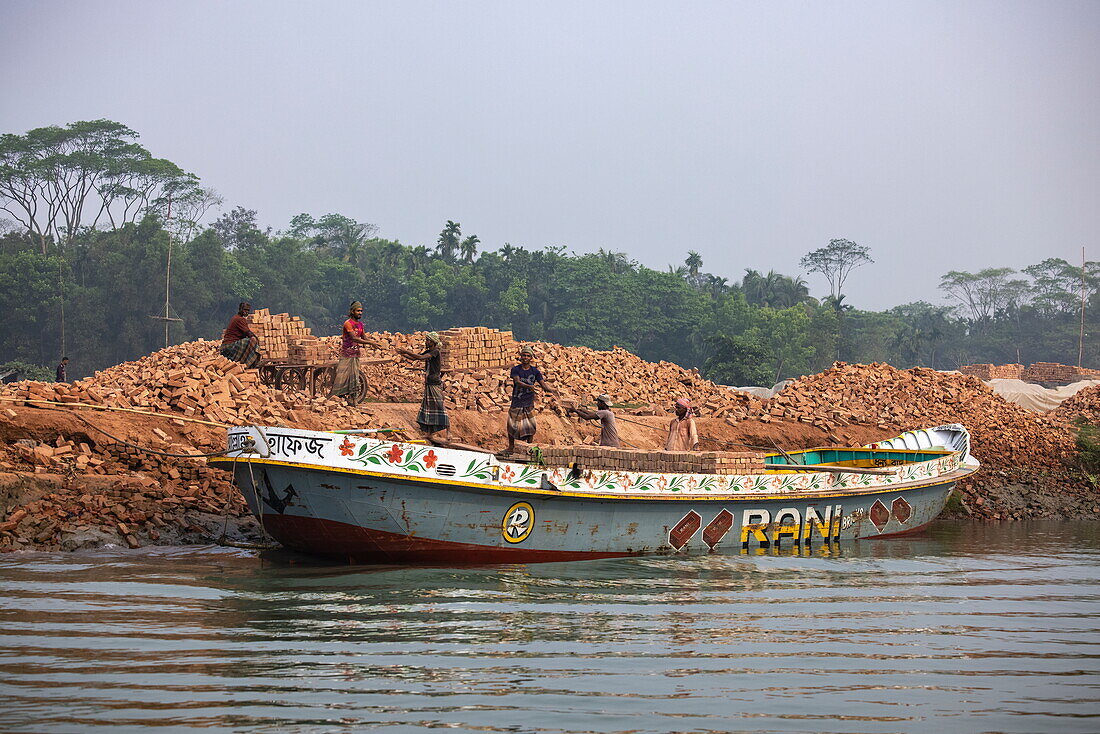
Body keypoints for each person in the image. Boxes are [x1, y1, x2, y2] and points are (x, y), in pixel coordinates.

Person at [396, 331, 450, 441]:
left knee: (439, 406)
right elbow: (415, 358)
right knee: (429, 407)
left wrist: (405, 351)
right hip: (429, 383)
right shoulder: (429, 351)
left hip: (435, 383)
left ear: (433, 342)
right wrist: (401, 354)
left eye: (428, 340)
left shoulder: (435, 352)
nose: (426, 342)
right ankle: (429, 433)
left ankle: (449, 433)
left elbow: (420, 358)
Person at [505, 345, 557, 454]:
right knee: (512, 425)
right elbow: (517, 382)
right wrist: (530, 386)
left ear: (531, 358)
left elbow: (543, 384)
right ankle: (511, 447)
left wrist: (552, 391)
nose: (525, 357)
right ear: (520, 356)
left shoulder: (535, 371)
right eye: (523, 355)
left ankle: (528, 447)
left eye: (528, 356)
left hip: (529, 402)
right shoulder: (516, 369)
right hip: (517, 401)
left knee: (530, 426)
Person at [329, 301, 379, 405]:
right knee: (342, 377)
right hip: (346, 354)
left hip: (355, 354)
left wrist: (373, 342)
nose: (360, 313)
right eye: (358, 310)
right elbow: (354, 338)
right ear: (352, 311)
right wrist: (370, 342)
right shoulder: (348, 323)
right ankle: (335, 398)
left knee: (354, 377)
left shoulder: (360, 324)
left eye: (361, 311)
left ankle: (352, 399)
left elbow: (363, 337)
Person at [220, 302, 261, 368]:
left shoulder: (235, 317)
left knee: (251, 340)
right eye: (245, 310)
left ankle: (245, 362)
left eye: (248, 310)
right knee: (253, 340)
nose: (246, 312)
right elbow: (249, 333)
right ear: (240, 309)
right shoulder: (240, 319)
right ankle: (246, 364)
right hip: (229, 346)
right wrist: (257, 340)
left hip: (225, 347)